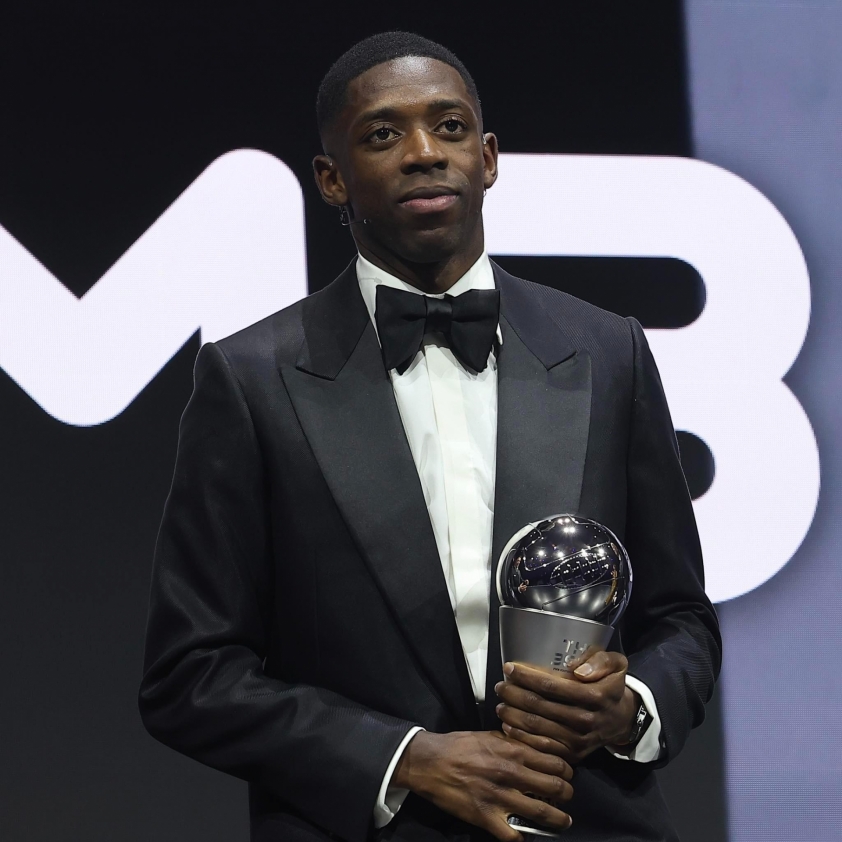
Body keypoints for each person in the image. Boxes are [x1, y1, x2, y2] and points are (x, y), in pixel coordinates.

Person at [139, 31, 721, 842]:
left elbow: (681, 618)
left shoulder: (607, 351)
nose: (423, 153)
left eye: (449, 127)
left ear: (488, 157)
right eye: (383, 134)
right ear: (332, 178)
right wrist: (403, 758)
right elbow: (190, 674)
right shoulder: (249, 380)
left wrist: (630, 707)